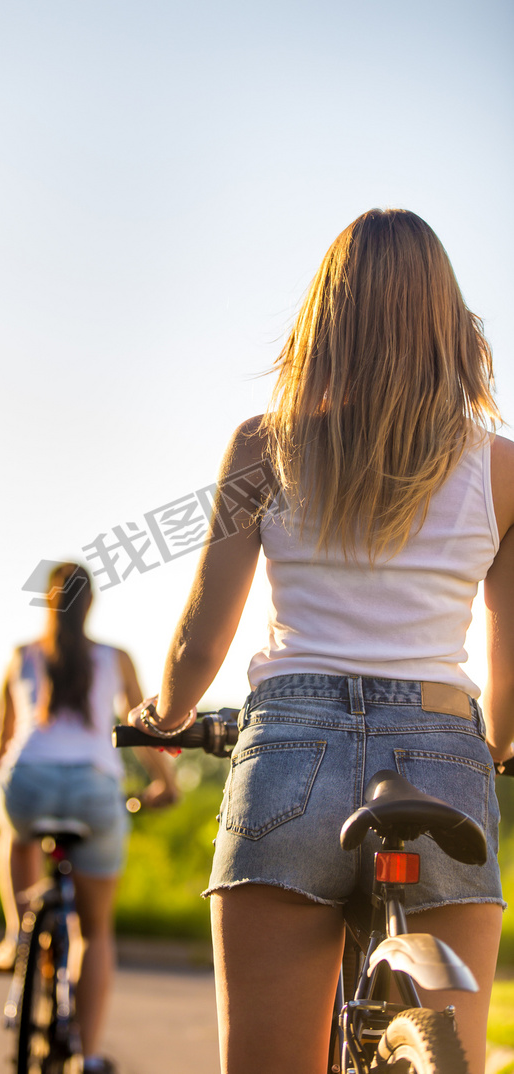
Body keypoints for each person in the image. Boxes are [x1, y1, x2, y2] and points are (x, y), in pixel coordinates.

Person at [128, 209, 514, 1074]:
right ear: (449, 324)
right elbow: (512, 646)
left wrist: (166, 712)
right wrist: (496, 746)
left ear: (323, 322)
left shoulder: (264, 447)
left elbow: (204, 631)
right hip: (443, 756)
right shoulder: (502, 469)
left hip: (291, 756)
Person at [0, 562, 178, 1074]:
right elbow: (142, 733)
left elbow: (2, 734)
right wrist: (167, 783)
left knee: (16, 832)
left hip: (26, 782)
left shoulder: (22, 656)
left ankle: (13, 937)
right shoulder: (114, 658)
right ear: (90, 604)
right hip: (95, 791)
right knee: (95, 932)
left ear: (47, 603)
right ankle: (86, 1056)